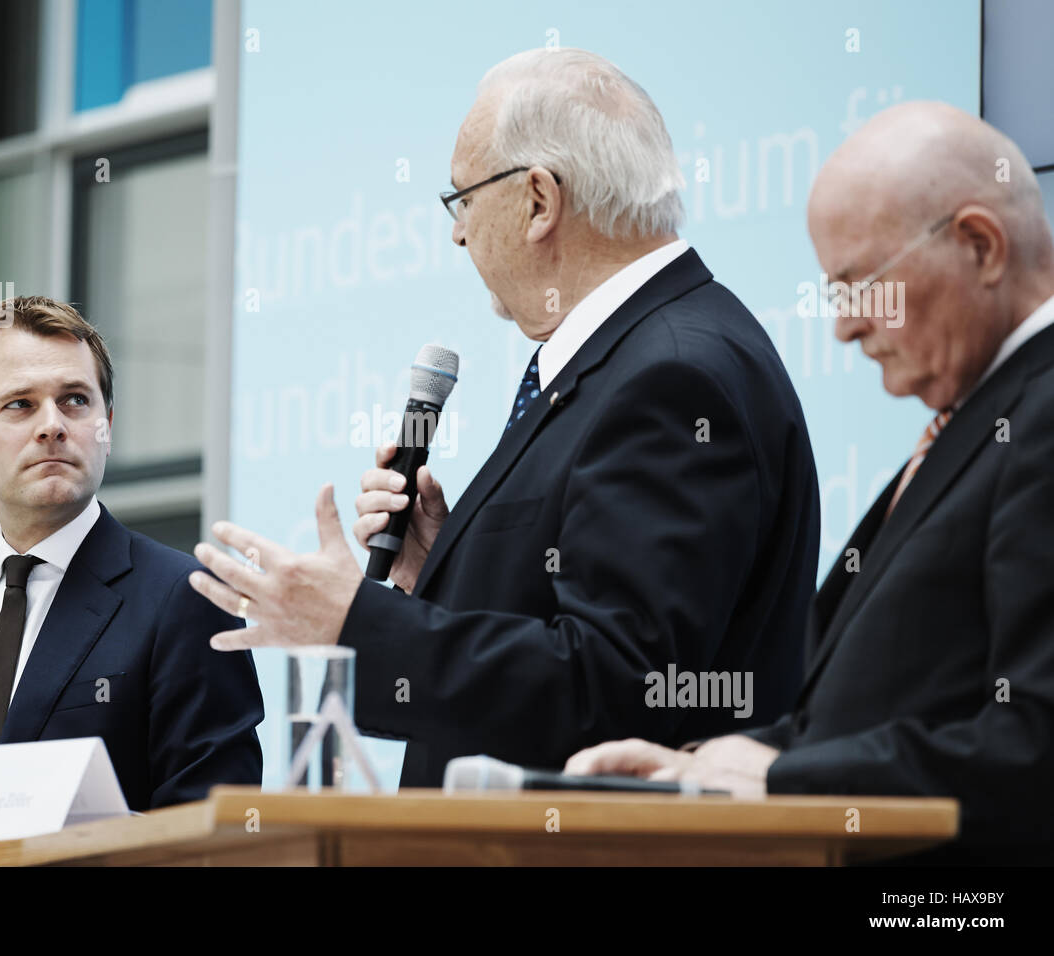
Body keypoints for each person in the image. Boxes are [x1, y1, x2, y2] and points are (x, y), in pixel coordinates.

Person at [187, 49, 820, 787]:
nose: (457, 235)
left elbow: (612, 691)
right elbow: (575, 635)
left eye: (463, 199)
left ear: (540, 200)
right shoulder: (638, 355)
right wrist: (445, 570)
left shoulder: (671, 376)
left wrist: (356, 622)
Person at [566, 102, 1054, 864]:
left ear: (979, 245)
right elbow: (875, 715)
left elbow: (1035, 742)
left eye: (861, 284)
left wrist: (787, 779)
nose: (845, 328)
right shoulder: (982, 422)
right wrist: (701, 772)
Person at [0, 296, 262, 821]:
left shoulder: (188, 597)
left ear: (107, 426)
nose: (52, 425)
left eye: (74, 400)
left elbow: (217, 829)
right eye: (20, 404)